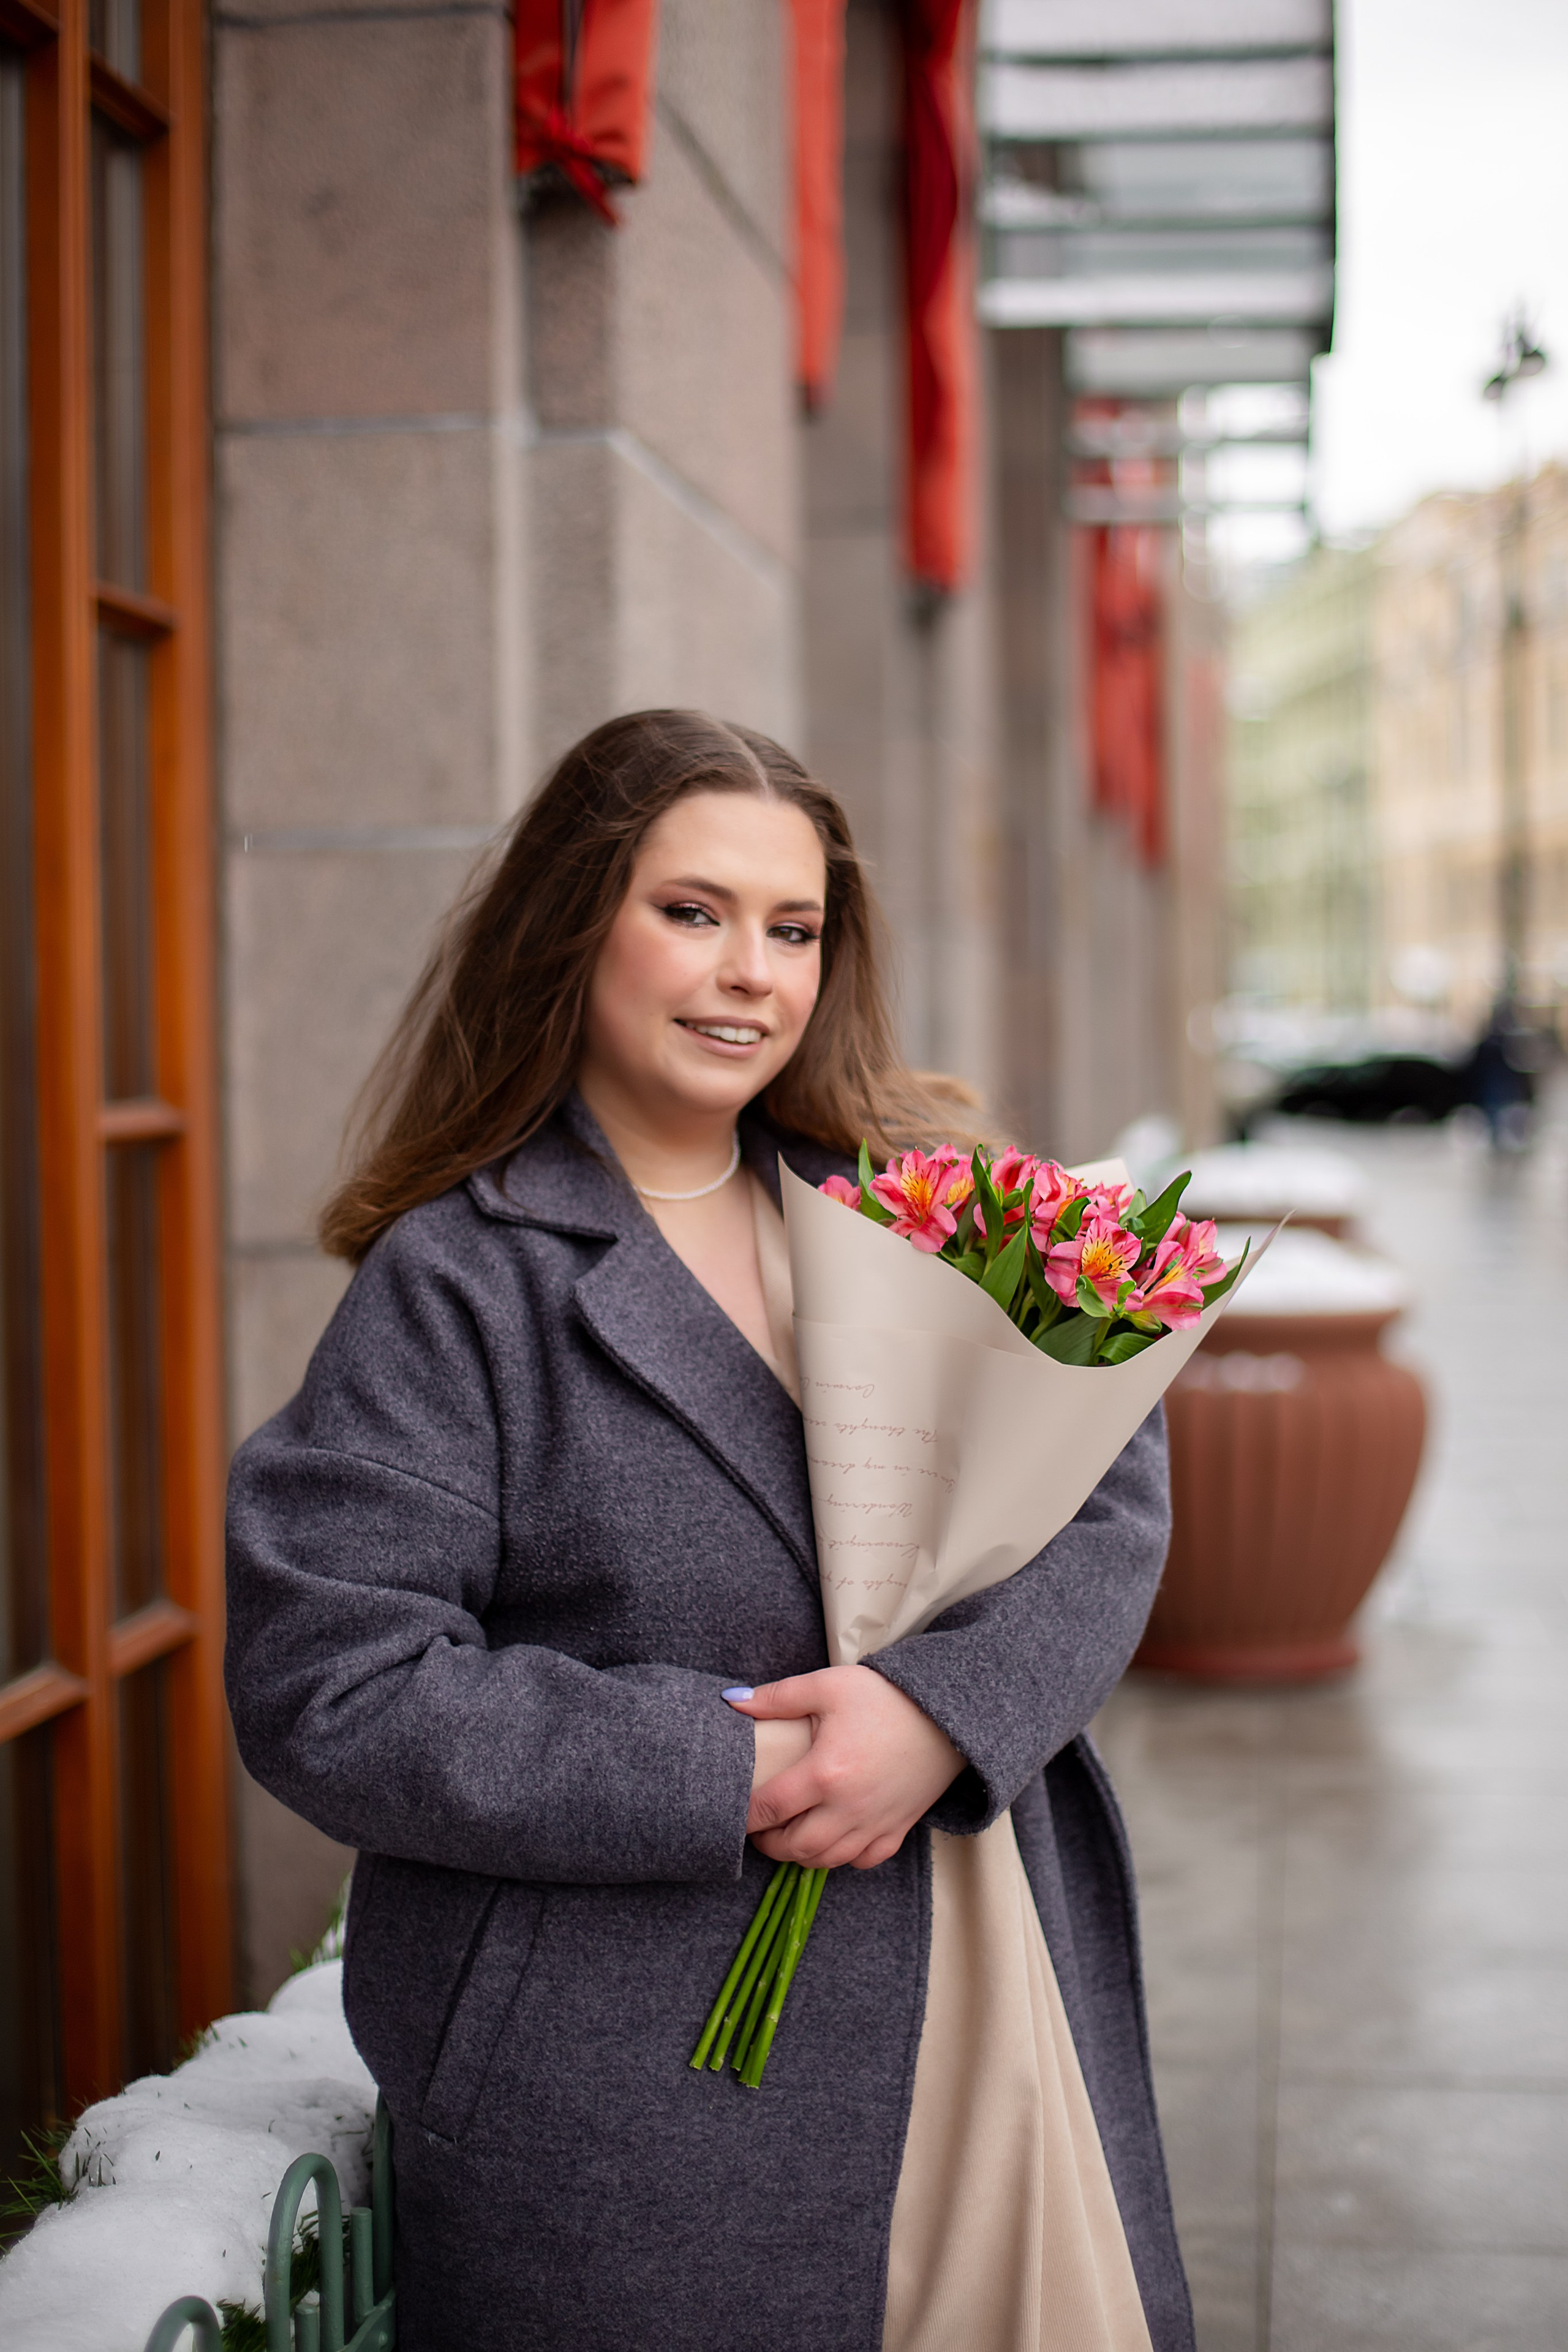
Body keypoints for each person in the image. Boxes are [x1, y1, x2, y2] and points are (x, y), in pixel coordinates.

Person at [225, 710, 1192, 2352]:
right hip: (627, 2079)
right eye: (693, 912)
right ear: (573, 922)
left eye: (793, 929)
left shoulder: (913, 1198)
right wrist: (743, 1768)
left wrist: (943, 1718)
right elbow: (339, 1680)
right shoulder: (463, 1278)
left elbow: (1107, 1486)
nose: (751, 970)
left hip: (976, 1972)